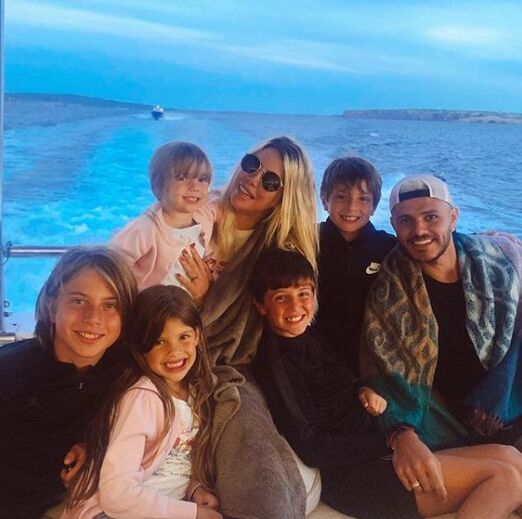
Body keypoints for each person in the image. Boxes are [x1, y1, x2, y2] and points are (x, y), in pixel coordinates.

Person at [252, 247, 522, 519]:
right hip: (357, 476)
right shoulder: (275, 363)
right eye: (281, 298)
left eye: (303, 294)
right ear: (261, 305)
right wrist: (392, 442)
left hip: (378, 451)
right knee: (505, 478)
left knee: (511, 457)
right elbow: (313, 446)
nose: (296, 307)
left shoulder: (309, 336)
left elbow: (337, 379)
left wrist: (361, 390)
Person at [361, 174, 522, 507]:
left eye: (431, 216)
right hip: (447, 426)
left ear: (453, 217)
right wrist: (401, 434)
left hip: (509, 403)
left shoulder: (499, 265)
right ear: (394, 226)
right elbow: (385, 377)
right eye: (406, 221)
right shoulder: (389, 295)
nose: (419, 230)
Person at [182, 136, 318, 518]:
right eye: (252, 164)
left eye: (270, 181)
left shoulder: (276, 254)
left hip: (232, 364)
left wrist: (206, 299)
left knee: (258, 462)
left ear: (282, 198)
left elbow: (263, 331)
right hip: (166, 344)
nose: (253, 179)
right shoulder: (192, 215)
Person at [0, 246, 137, 519]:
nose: (93, 318)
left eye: (110, 305)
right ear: (52, 307)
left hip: (74, 505)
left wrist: (94, 446)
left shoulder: (126, 370)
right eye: (78, 301)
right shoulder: (11, 371)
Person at [62, 285, 222, 519]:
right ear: (141, 346)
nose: (174, 351)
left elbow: (170, 463)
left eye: (184, 337)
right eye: (159, 341)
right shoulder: (143, 398)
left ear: (197, 335)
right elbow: (117, 494)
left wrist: (194, 489)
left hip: (158, 507)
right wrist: (193, 513)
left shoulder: (196, 392)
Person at [316, 156, 396, 375]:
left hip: (372, 359)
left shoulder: (389, 248)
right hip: (315, 355)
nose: (351, 207)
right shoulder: (307, 241)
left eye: (363, 199)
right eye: (341, 196)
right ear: (324, 200)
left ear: (374, 206)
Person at [110, 141, 214, 302]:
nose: (195, 187)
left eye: (202, 179)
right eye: (183, 178)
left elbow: (223, 200)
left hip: (186, 309)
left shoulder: (205, 217)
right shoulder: (144, 229)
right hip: (150, 310)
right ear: (158, 186)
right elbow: (110, 264)